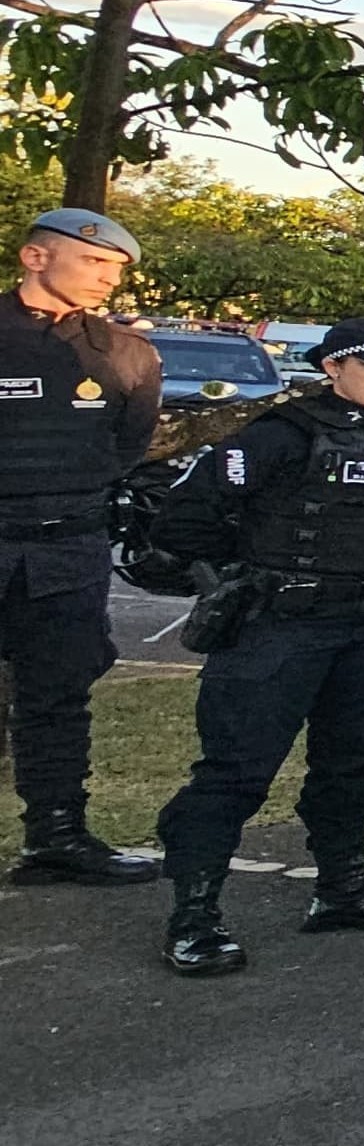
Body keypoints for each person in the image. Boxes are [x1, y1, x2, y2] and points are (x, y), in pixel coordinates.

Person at [147, 319, 364, 974]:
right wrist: (247, 573)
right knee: (236, 771)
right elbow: (185, 518)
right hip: (282, 625)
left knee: (356, 766)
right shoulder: (280, 434)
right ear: (331, 367)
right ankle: (195, 916)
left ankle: (341, 890)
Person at [3, 208, 161, 887]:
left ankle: (57, 838)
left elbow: (126, 448)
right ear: (35, 258)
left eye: (115, 269)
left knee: (59, 698)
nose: (107, 279)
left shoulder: (125, 352)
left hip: (68, 550)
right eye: (93, 262)